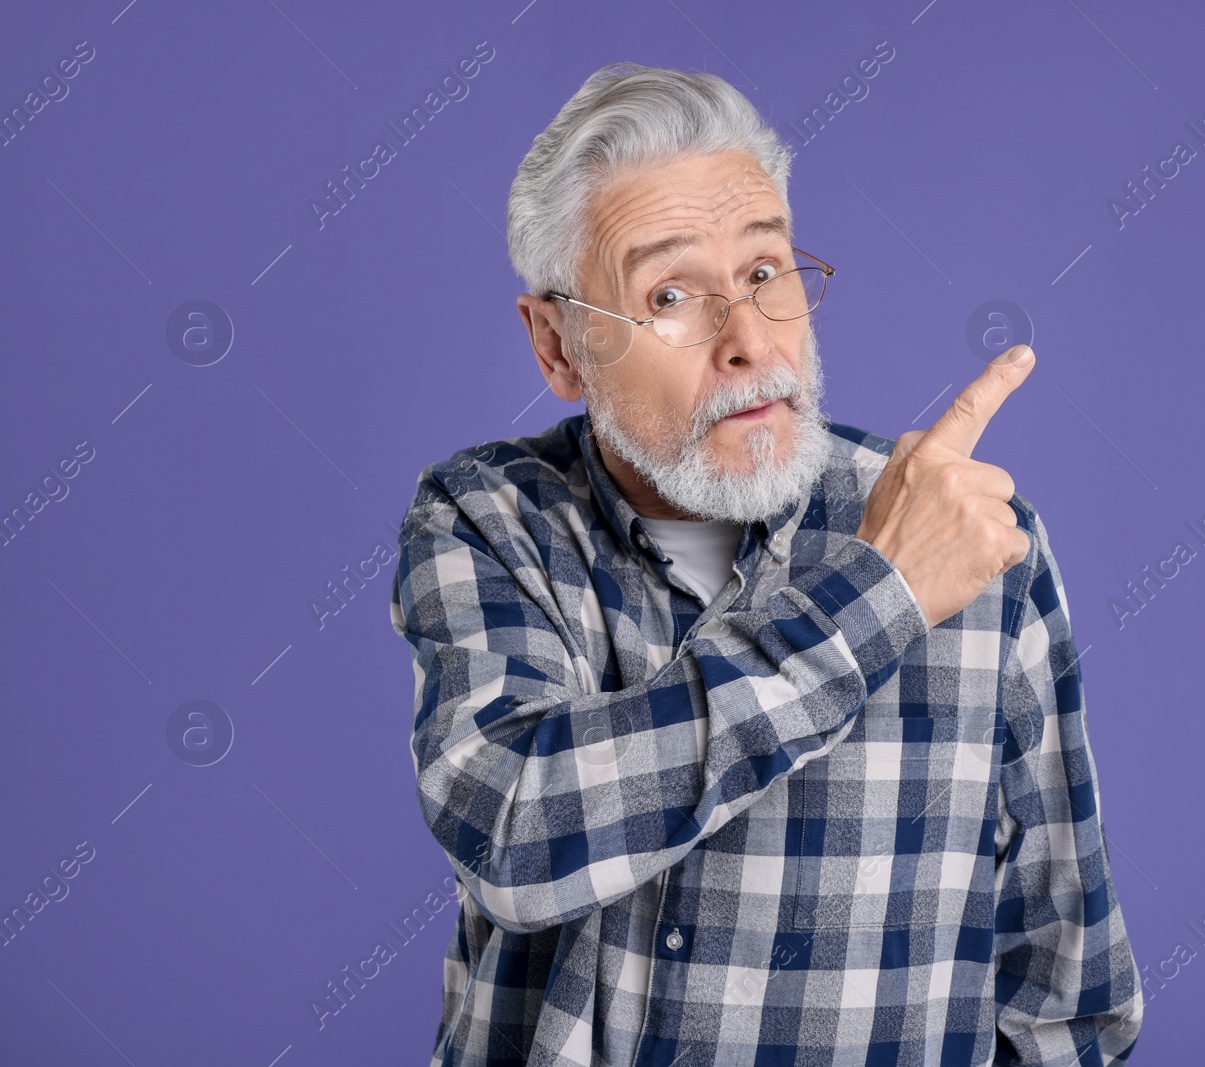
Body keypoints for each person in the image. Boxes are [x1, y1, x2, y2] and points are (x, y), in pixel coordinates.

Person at [389, 61, 1142, 1067]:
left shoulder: (971, 533)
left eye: (762, 271)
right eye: (668, 292)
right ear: (559, 344)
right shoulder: (490, 517)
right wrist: (878, 597)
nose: (746, 339)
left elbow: (1067, 997)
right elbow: (516, 832)